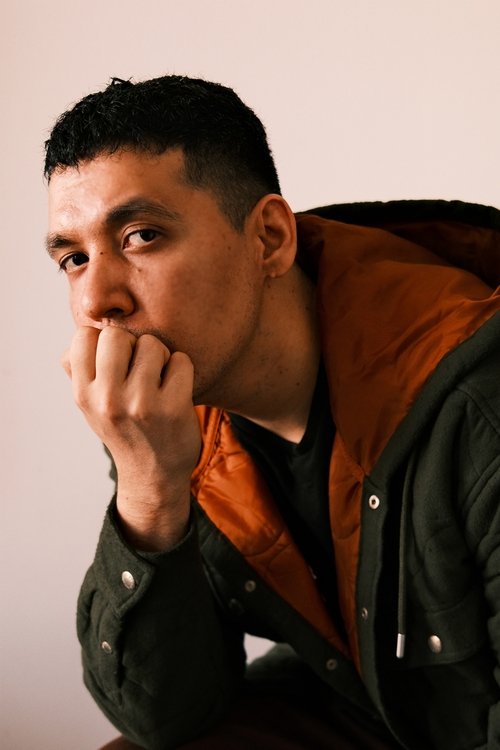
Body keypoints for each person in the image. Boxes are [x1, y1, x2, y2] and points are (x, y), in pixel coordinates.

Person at [44, 75, 500, 750]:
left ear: (268, 238)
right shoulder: (170, 420)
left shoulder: (476, 401)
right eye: (74, 258)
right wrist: (148, 488)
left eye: (141, 235)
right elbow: (163, 718)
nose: (96, 300)